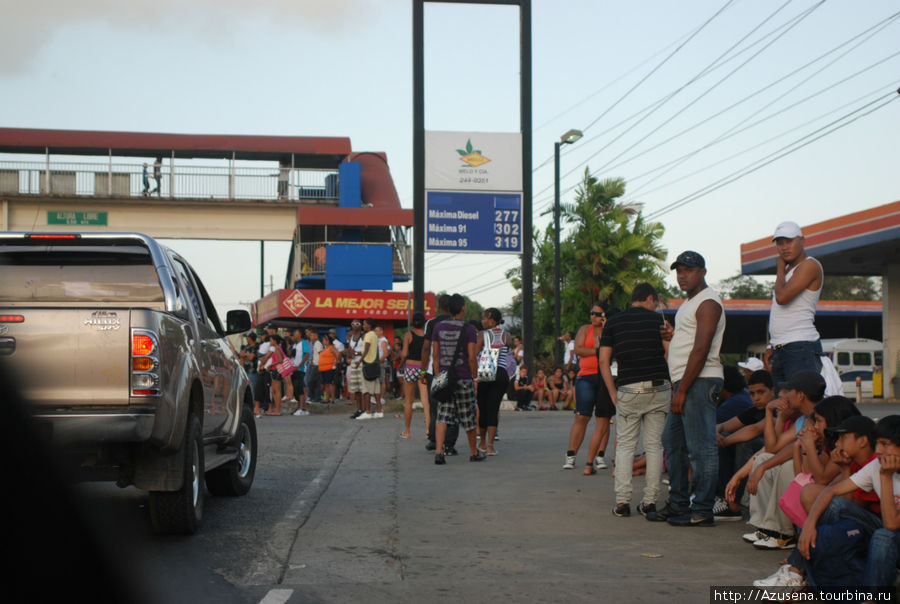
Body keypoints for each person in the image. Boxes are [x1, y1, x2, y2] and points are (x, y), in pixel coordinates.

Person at [647, 251, 725, 526]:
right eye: (679, 271)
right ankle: (679, 503)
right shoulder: (689, 304)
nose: (682, 275)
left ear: (702, 272)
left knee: (701, 449)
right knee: (673, 442)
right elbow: (691, 340)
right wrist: (673, 335)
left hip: (700, 381)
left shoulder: (708, 302)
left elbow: (701, 349)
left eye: (688, 270)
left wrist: (681, 391)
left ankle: (702, 509)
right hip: (685, 381)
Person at [727, 371, 826, 547]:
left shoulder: (820, 416)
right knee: (762, 458)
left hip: (818, 474)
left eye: (790, 391)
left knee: (781, 466)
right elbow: (773, 448)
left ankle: (782, 532)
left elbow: (789, 451)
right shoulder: (803, 418)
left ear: (801, 395)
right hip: (807, 467)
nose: (786, 395)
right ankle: (763, 527)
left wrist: (763, 467)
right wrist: (769, 411)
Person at [598, 282, 671, 517]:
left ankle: (622, 503)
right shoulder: (659, 321)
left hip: (628, 389)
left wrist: (612, 392)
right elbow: (670, 353)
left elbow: (603, 361)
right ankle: (649, 503)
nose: (656, 306)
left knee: (626, 446)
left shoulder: (614, 322)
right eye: (656, 302)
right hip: (659, 388)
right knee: (654, 446)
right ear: (649, 299)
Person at [767, 221, 824, 391]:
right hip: (783, 347)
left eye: (789, 241)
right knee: (783, 409)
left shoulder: (809, 265)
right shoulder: (788, 272)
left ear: (802, 241)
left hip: (800, 347)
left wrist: (779, 269)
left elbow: (782, 297)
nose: (784, 247)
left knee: (801, 406)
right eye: (780, 243)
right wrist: (772, 343)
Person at [714, 370, 775, 520]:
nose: (756, 398)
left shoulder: (776, 410)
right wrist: (717, 433)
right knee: (722, 440)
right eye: (752, 394)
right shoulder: (754, 411)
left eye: (761, 392)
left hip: (771, 453)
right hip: (757, 455)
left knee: (743, 443)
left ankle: (734, 504)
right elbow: (723, 426)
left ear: (773, 391)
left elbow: (754, 430)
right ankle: (723, 497)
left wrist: (725, 440)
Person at [432, 294, 485, 464]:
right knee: (468, 415)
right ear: (463, 308)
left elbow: (435, 355)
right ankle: (474, 452)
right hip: (463, 378)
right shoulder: (469, 329)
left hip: (445, 378)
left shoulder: (438, 327)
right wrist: (475, 378)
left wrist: (439, 377)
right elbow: (471, 357)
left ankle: (439, 452)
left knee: (443, 415)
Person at [563, 301, 616, 474]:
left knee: (604, 417)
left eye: (598, 314)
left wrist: (596, 350)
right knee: (582, 416)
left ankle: (600, 456)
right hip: (586, 375)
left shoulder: (610, 329)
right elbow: (578, 349)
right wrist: (600, 350)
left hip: (605, 375)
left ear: (605, 316)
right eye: (592, 313)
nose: (593, 316)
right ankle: (571, 455)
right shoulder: (585, 329)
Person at [422, 295, 459, 454]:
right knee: (453, 407)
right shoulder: (459, 324)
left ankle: (434, 440)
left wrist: (423, 371)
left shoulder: (431, 323)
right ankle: (450, 444)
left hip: (435, 370)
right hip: (455, 371)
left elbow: (426, 348)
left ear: (438, 307)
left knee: (435, 406)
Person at [475, 307, 511, 456]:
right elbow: (507, 352)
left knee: (482, 408)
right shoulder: (506, 335)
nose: (482, 321)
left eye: (484, 318)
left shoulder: (483, 335)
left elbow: (475, 354)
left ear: (492, 320)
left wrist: (474, 376)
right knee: (493, 409)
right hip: (501, 373)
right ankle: (490, 446)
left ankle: (482, 443)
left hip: (485, 371)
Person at [400, 312, 429, 439]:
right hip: (423, 368)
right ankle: (428, 429)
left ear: (413, 322)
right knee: (425, 401)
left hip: (411, 368)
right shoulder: (427, 336)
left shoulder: (408, 335)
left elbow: (405, 353)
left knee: (409, 401)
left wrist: (401, 361)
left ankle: (407, 431)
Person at [357, 318, 383, 420]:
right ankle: (379, 411)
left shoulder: (368, 335)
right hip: (375, 364)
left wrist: (360, 360)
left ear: (369, 325)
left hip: (368, 364)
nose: (363, 326)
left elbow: (367, 348)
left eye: (364, 324)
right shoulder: (375, 335)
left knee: (366, 390)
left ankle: (368, 412)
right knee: (376, 390)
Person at [346, 320, 366, 419]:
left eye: (357, 324)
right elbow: (350, 352)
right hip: (354, 363)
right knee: (356, 389)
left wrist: (356, 353)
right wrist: (349, 353)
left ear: (361, 326)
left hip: (361, 363)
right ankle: (358, 409)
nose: (354, 325)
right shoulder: (351, 338)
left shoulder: (363, 337)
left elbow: (367, 351)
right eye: (353, 324)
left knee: (363, 388)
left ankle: (364, 409)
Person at [290, 329, 310, 416]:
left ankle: (302, 408)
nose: (294, 335)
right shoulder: (294, 345)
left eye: (296, 333)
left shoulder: (304, 343)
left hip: (301, 369)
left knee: (300, 388)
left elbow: (307, 354)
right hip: (294, 369)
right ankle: (302, 408)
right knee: (296, 390)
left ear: (300, 334)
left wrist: (300, 365)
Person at [318, 334, 338, 404]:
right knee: (326, 384)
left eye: (324, 340)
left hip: (329, 368)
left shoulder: (332, 348)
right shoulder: (325, 348)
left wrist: (335, 364)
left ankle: (332, 398)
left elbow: (338, 355)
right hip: (323, 369)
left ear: (327, 341)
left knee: (330, 383)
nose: (323, 341)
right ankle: (326, 398)